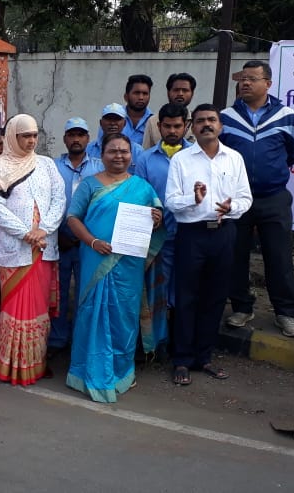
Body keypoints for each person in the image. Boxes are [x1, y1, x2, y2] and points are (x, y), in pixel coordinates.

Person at [65, 134, 164, 402]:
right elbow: (72, 217)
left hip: (128, 264)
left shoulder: (142, 187)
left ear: (132, 155)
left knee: (123, 315)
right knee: (91, 311)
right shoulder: (89, 185)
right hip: (96, 257)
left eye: (124, 151)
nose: (118, 156)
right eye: (112, 151)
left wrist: (156, 218)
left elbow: (156, 223)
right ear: (103, 154)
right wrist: (93, 241)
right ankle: (85, 372)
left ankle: (121, 373)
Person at [166, 104, 252, 386]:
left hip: (224, 233)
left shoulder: (234, 159)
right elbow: (171, 202)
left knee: (215, 297)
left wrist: (232, 207)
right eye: (201, 120)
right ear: (192, 126)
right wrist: (195, 199)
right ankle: (182, 359)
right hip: (192, 235)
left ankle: (204, 357)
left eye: (212, 120)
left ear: (221, 126)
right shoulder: (181, 160)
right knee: (187, 297)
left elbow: (245, 198)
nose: (207, 125)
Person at [221, 60, 294, 337]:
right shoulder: (226, 118)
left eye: (252, 79)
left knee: (279, 257)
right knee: (235, 256)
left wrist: (270, 171)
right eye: (242, 78)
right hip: (237, 199)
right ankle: (242, 307)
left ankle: (285, 313)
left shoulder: (287, 116)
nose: (245, 83)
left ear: (267, 84)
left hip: (274, 198)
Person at [0, 114, 66, 385]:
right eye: (24, 136)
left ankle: (35, 363)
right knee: (16, 307)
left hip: (44, 247)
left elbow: (59, 198)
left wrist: (44, 229)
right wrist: (25, 233)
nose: (31, 141)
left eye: (34, 136)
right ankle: (10, 366)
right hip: (14, 250)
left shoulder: (46, 164)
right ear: (12, 137)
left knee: (37, 306)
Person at [133, 103, 191, 356]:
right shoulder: (145, 159)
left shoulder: (195, 157)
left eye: (177, 126)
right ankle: (155, 344)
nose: (172, 130)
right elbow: (142, 195)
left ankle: (180, 345)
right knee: (156, 290)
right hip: (156, 238)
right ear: (159, 127)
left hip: (188, 236)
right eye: (167, 126)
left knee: (184, 290)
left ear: (186, 127)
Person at [49, 117, 103, 359]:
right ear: (65, 139)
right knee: (57, 292)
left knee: (85, 291)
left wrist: (86, 237)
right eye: (72, 134)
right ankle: (57, 340)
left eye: (81, 134)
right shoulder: (52, 166)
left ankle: (81, 342)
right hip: (58, 239)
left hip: (88, 241)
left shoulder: (99, 167)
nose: (76, 139)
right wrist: (57, 233)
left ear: (88, 139)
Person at [143, 73, 196, 149]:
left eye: (185, 90)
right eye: (176, 90)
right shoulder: (153, 121)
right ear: (168, 92)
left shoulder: (198, 121)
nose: (180, 94)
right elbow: (146, 151)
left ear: (192, 93)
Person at [120, 74, 154, 146]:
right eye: (136, 93)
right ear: (126, 96)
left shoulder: (154, 121)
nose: (141, 97)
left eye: (145, 94)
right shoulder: (114, 117)